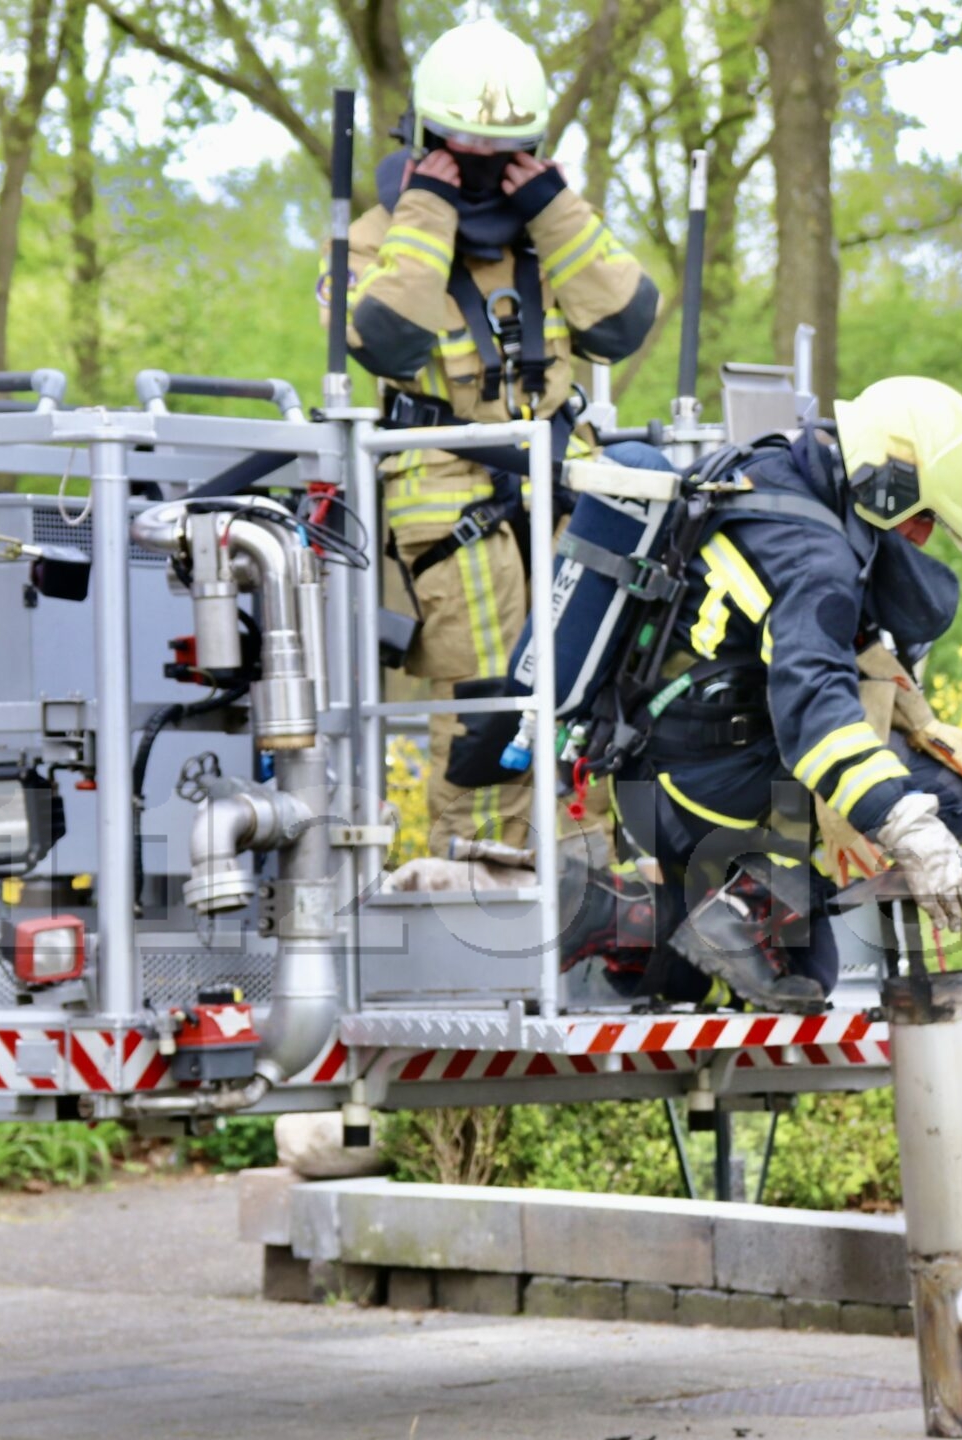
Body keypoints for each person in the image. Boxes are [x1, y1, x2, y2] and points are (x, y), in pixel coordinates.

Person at [326, 18, 659, 847]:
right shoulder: (374, 238)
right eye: (462, 152)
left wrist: (550, 205)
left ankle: (583, 891)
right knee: (487, 700)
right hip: (440, 479)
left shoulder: (551, 231)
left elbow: (623, 322)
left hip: (561, 470)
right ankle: (484, 882)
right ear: (425, 139)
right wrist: (430, 209)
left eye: (503, 152)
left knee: (591, 676)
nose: (480, 170)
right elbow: (384, 338)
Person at [565, 378, 962, 1008]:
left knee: (808, 971)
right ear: (890, 485)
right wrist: (908, 824)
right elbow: (818, 718)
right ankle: (740, 905)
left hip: (658, 778)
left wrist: (912, 716)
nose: (925, 540)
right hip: (708, 788)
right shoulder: (815, 557)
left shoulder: (775, 470)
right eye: (925, 516)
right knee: (946, 799)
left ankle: (620, 918)